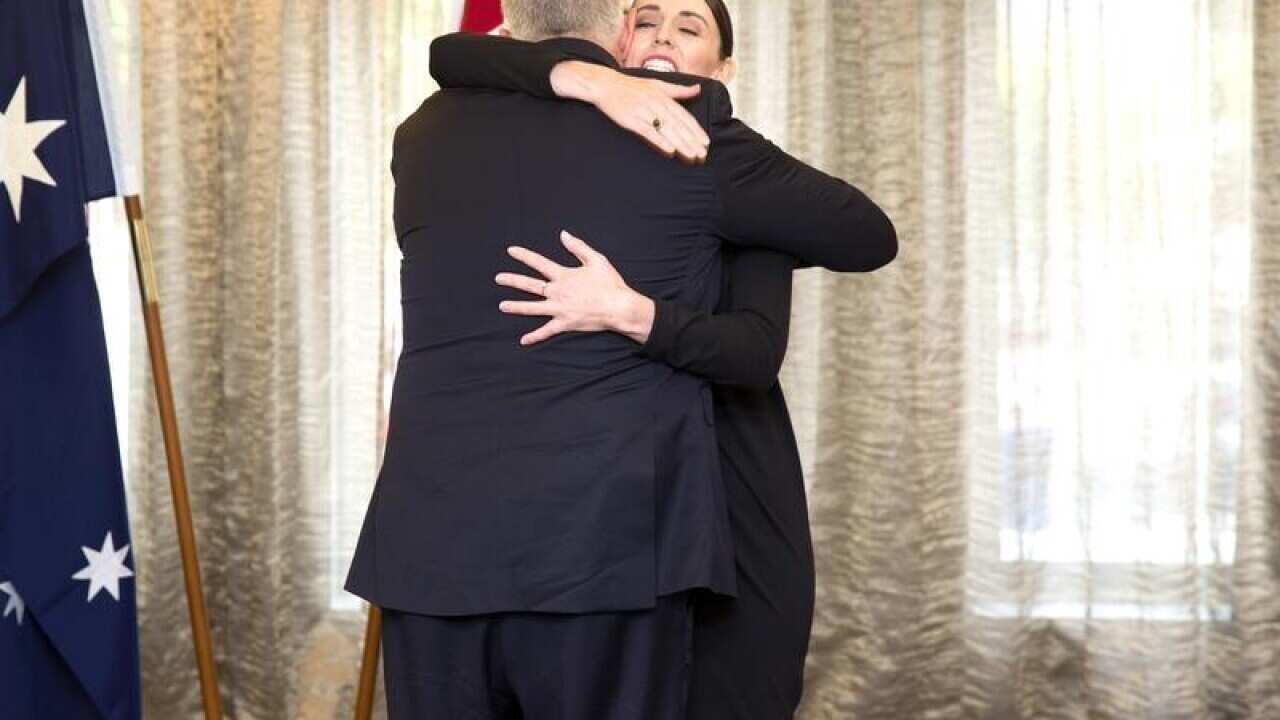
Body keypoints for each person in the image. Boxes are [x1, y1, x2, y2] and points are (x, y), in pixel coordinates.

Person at [346, 0, 897, 716]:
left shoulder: (425, 132)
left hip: (435, 547)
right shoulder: (691, 141)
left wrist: (637, 310)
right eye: (647, 17)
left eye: (689, 26)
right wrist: (595, 80)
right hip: (604, 548)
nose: (664, 35)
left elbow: (454, 56)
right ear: (618, 32)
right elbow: (865, 234)